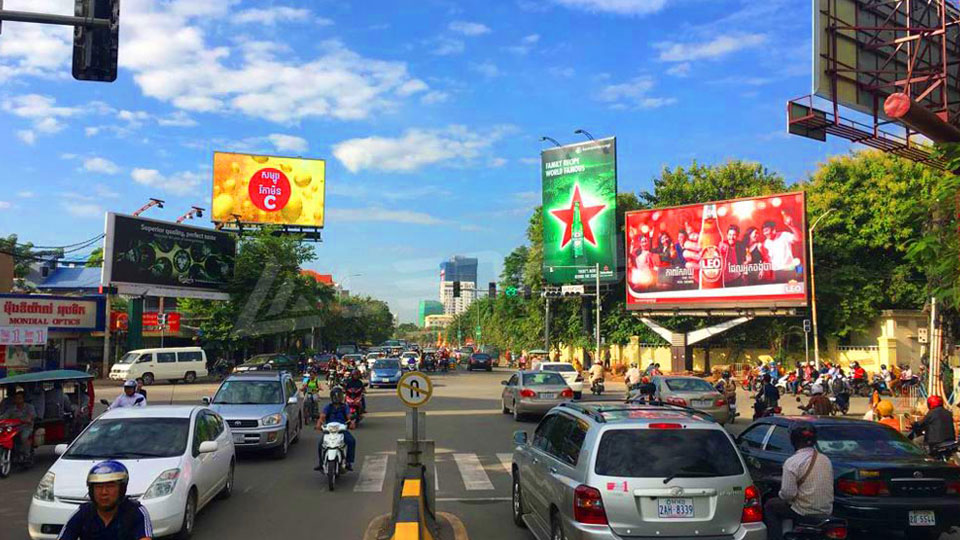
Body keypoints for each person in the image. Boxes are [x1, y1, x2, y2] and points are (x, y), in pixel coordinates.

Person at [763, 424, 833, 540]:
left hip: (804, 511)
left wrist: (780, 494)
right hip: (826, 510)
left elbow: (788, 494)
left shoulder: (792, 462)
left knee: (770, 506)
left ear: (793, 441)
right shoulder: (826, 460)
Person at [57, 461, 153, 540]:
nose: (104, 492)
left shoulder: (136, 512)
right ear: (91, 490)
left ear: (122, 489)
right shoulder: (83, 513)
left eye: (110, 486)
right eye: (98, 487)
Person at [314, 388, 356, 471]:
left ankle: (348, 462)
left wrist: (351, 423)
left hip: (341, 429)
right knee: (321, 445)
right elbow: (322, 416)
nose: (336, 398)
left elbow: (349, 416)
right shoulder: (328, 407)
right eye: (335, 396)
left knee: (351, 441)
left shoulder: (345, 407)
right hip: (329, 429)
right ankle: (321, 463)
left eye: (338, 396)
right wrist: (319, 424)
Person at [761, 213, 802, 279]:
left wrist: (791, 226)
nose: (765, 233)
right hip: (776, 273)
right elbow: (766, 260)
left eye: (767, 230)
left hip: (789, 270)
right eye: (764, 231)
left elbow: (799, 238)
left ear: (773, 230)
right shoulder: (765, 244)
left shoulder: (784, 235)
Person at [0, 390, 36, 462]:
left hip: (26, 427)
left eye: (19, 398)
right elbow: (4, 416)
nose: (17, 400)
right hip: (14, 428)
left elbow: (32, 416)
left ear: (23, 399)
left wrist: (28, 419)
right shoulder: (12, 409)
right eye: (16, 398)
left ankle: (26, 455)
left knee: (24, 437)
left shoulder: (29, 407)